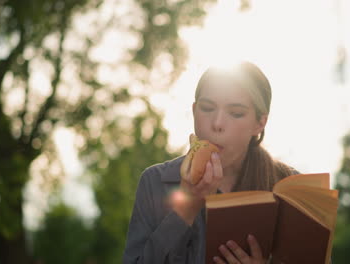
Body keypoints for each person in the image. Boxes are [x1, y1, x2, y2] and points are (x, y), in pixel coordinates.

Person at [122, 61, 299, 264]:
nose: (217, 124)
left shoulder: (290, 188)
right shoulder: (155, 182)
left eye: (236, 113)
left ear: (260, 123)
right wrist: (186, 208)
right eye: (207, 108)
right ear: (194, 110)